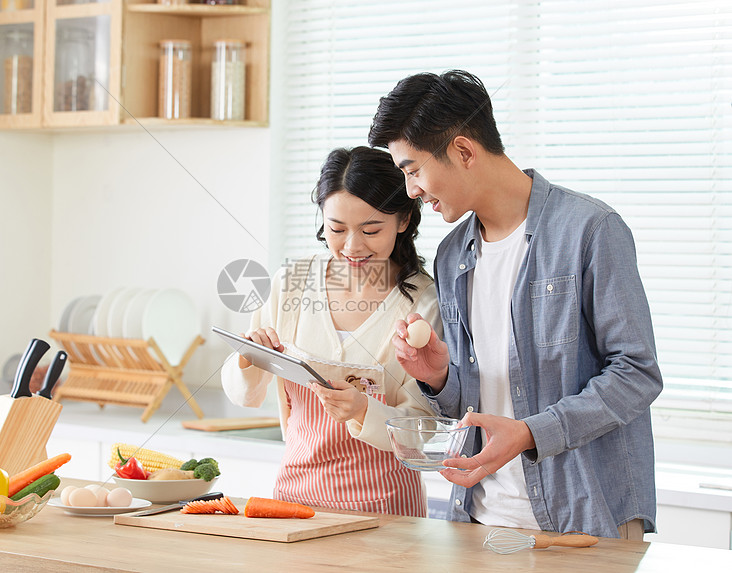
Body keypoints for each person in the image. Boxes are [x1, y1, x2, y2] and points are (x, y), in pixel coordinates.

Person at [369, 70, 663, 539]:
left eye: (413, 170)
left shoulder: (590, 230)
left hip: (585, 522)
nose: (411, 192)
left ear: (464, 151)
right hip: (480, 518)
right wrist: (439, 377)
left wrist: (530, 433)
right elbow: (477, 406)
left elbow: (637, 373)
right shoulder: (451, 257)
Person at [221, 146, 442, 517]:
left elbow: (425, 424)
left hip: (385, 509)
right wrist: (248, 357)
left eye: (371, 230)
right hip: (295, 497)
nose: (353, 247)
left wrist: (364, 409)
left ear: (403, 220)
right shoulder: (292, 282)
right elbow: (244, 393)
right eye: (336, 229)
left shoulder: (423, 303)